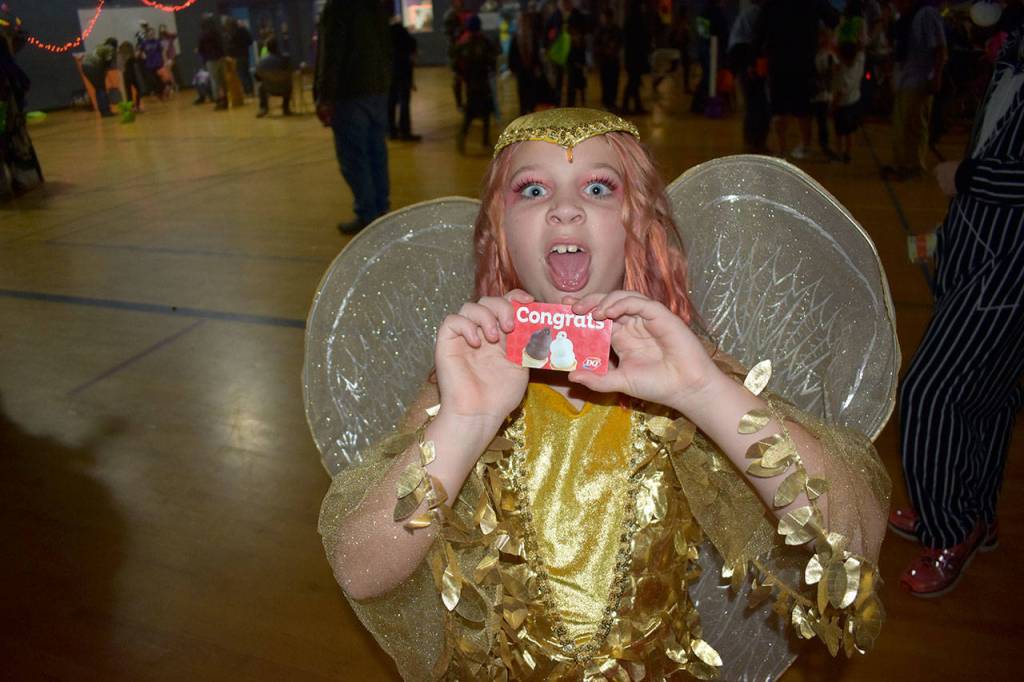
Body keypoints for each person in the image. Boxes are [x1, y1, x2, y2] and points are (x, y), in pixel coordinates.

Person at [317, 106, 891, 680]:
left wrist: (702, 391)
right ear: (500, 228)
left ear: (638, 222)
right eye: (534, 188)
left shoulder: (684, 369)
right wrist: (465, 419)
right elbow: (360, 568)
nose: (566, 208)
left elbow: (854, 539)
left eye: (597, 186)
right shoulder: (465, 380)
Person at [889, 25, 1024, 598]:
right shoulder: (1011, 50)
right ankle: (970, 513)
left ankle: (949, 529)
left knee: (928, 391)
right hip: (977, 250)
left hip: (1009, 270)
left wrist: (966, 177)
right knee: (987, 396)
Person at [315, 0, 392, 235]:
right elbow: (386, 47)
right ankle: (381, 210)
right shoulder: (377, 6)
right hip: (376, 89)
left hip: (350, 92)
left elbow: (332, 53)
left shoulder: (339, 7)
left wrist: (325, 95)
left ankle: (367, 215)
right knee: (376, 152)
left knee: (354, 158)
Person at [881, 0, 946, 180]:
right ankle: (902, 162)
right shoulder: (905, 18)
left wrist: (936, 75)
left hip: (919, 78)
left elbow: (940, 48)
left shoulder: (926, 13)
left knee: (915, 124)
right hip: (905, 78)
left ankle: (914, 165)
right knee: (902, 123)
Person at [756, 0, 822, 158]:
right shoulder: (809, 4)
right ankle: (805, 146)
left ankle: (782, 149)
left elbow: (758, 34)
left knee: (779, 108)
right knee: (803, 107)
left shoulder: (771, 5)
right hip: (803, 62)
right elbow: (832, 19)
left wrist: (756, 59)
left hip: (779, 62)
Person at [728, 0, 769, 152]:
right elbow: (754, 41)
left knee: (753, 101)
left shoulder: (750, 12)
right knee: (756, 101)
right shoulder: (757, 13)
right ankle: (754, 140)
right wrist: (752, 64)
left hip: (744, 57)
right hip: (748, 58)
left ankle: (752, 139)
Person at [454, 14, 498, 154]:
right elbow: (492, 60)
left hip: (471, 83)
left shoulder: (463, 44)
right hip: (482, 82)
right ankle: (485, 140)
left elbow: (456, 64)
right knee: (485, 113)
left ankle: (463, 138)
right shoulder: (484, 42)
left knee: (470, 113)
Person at [833, 38, 866, 163]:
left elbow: (840, 92)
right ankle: (848, 153)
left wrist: (833, 106)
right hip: (855, 101)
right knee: (850, 131)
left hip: (843, 105)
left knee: (840, 132)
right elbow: (861, 49)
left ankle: (839, 153)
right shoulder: (859, 62)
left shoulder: (844, 74)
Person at [389, 15, 421, 142]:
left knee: (391, 102)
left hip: (390, 73)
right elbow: (412, 48)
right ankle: (405, 131)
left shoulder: (387, 37)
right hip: (403, 73)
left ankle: (391, 131)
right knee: (404, 102)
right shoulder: (406, 38)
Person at [509, 6, 544, 116]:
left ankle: (531, 111)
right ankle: (523, 113)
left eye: (526, 22)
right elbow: (512, 54)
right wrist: (513, 68)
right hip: (521, 70)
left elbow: (536, 54)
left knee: (533, 93)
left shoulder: (533, 36)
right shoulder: (516, 38)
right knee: (522, 94)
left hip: (531, 70)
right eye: (522, 21)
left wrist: (539, 67)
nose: (524, 24)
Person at [811, 25, 838, 160]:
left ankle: (825, 145)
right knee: (815, 121)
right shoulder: (815, 54)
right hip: (815, 93)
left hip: (824, 94)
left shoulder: (829, 56)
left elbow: (832, 75)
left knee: (823, 122)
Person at [621, 0, 652, 114]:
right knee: (633, 81)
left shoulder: (630, 21)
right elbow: (643, 39)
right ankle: (628, 105)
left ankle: (634, 105)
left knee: (634, 81)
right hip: (636, 57)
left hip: (632, 57)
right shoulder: (638, 22)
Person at [254, 37, 292, 118]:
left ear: (267, 48)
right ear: (277, 46)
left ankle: (263, 108)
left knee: (261, 87)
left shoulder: (262, 62)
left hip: (269, 88)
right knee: (289, 84)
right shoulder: (285, 59)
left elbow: (257, 77)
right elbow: (290, 71)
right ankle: (286, 108)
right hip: (284, 88)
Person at [593, 7, 623, 112]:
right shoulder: (599, 30)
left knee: (614, 82)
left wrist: (614, 49)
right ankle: (606, 103)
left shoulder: (616, 29)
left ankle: (612, 102)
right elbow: (595, 45)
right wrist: (604, 50)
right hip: (604, 60)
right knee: (605, 82)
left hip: (613, 60)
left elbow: (620, 42)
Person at [197, 13, 228, 110]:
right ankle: (226, 99)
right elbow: (221, 44)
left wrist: (205, 57)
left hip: (210, 60)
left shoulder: (202, 34)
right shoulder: (216, 32)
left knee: (215, 81)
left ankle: (218, 100)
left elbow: (200, 49)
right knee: (223, 79)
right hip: (220, 58)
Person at [81, 37, 118, 117]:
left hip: (84, 66)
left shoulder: (99, 46)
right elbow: (108, 61)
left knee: (98, 89)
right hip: (93, 67)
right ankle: (106, 111)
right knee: (101, 89)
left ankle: (102, 111)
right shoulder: (110, 48)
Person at [443, 0, 467, 110]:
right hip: (455, 51)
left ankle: (469, 102)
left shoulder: (464, 12)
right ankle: (459, 104)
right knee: (457, 78)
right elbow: (449, 34)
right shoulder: (450, 15)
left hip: (466, 49)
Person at [227, 18, 254, 97]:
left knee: (241, 74)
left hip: (237, 56)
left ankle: (246, 91)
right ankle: (251, 90)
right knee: (247, 73)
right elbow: (250, 41)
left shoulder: (232, 33)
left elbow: (230, 45)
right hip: (245, 54)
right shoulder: (243, 30)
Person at [140, 27, 166, 100]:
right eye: (150, 33)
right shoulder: (144, 43)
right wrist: (142, 54)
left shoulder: (157, 42)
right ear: (147, 34)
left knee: (159, 79)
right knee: (152, 79)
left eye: (153, 33)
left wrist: (164, 61)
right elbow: (141, 51)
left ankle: (161, 94)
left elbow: (162, 51)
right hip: (149, 64)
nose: (152, 35)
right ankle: (156, 92)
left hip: (158, 63)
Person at [117, 41, 142, 112]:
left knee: (129, 92)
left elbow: (120, 67)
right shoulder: (128, 55)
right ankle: (136, 106)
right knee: (136, 90)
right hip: (130, 74)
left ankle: (134, 107)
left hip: (128, 75)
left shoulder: (122, 55)